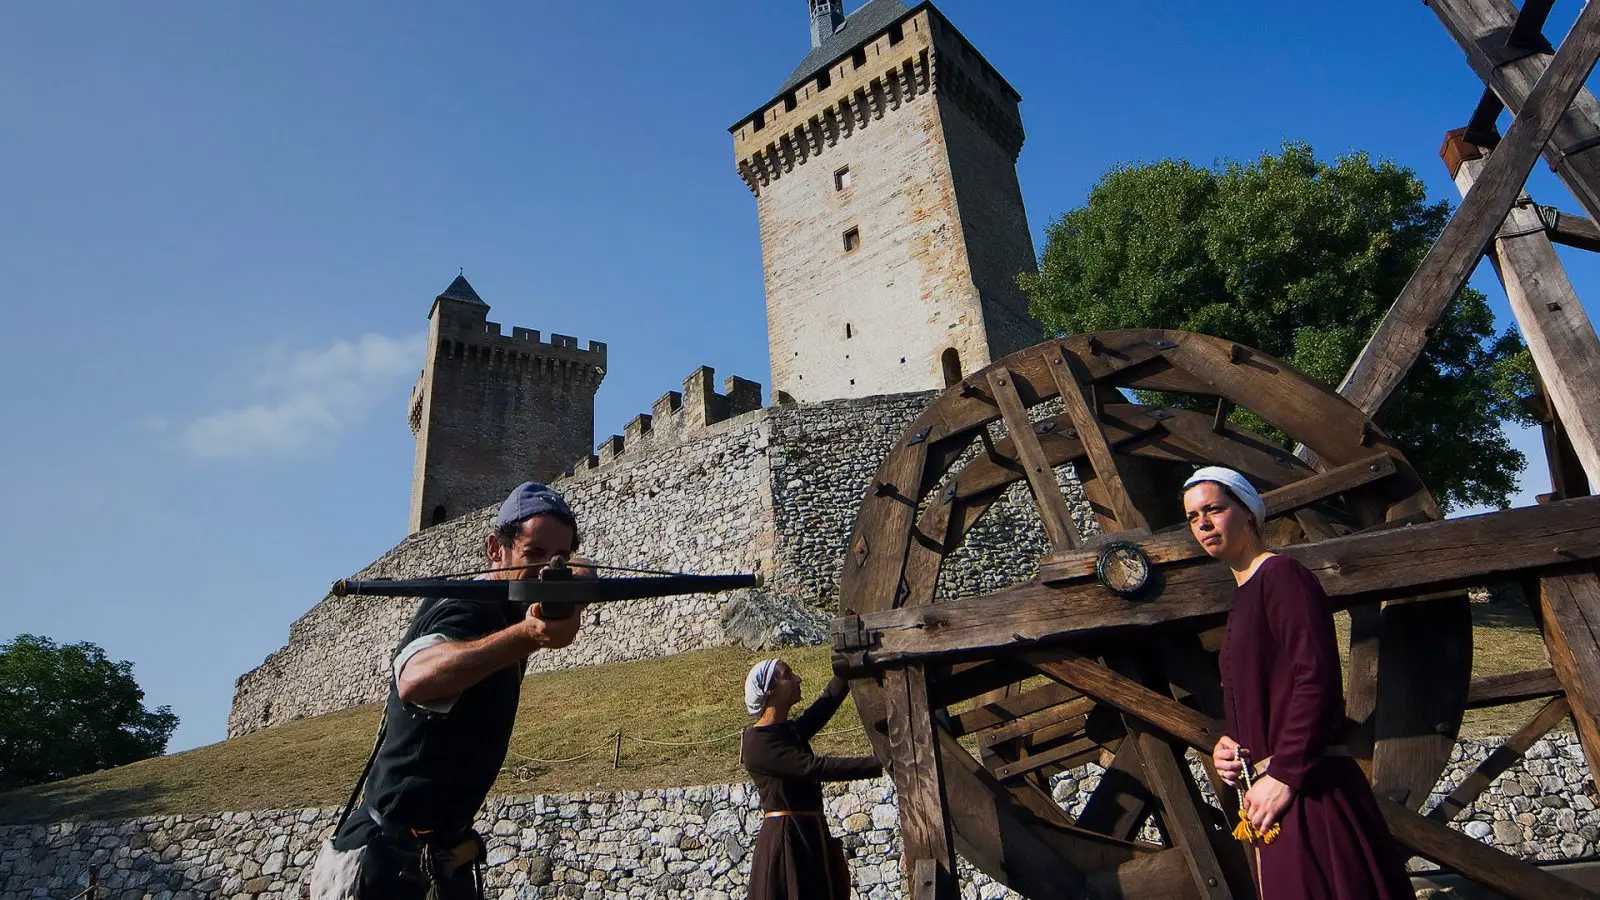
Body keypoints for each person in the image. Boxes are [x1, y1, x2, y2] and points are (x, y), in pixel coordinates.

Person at [309, 481, 588, 900]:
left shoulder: (508, 605)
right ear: (496, 549)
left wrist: (580, 576)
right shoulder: (467, 608)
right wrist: (530, 635)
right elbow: (417, 678)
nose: (547, 570)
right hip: (387, 867)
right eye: (533, 555)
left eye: (559, 558)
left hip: (434, 861)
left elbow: (568, 572)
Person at [1184, 466, 1411, 899]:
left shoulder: (1282, 576)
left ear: (1248, 513)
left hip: (1308, 792)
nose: (1204, 524)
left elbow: (1316, 678)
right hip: (1270, 797)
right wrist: (1231, 745)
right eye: (1194, 517)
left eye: (1214, 509)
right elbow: (1266, 691)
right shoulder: (1245, 593)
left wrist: (1284, 775)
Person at [741, 659, 883, 900]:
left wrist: (846, 673)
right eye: (788, 675)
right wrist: (879, 762)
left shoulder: (784, 732)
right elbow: (813, 767)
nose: (797, 679)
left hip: (808, 834)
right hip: (787, 842)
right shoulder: (757, 744)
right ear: (770, 690)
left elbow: (822, 708)